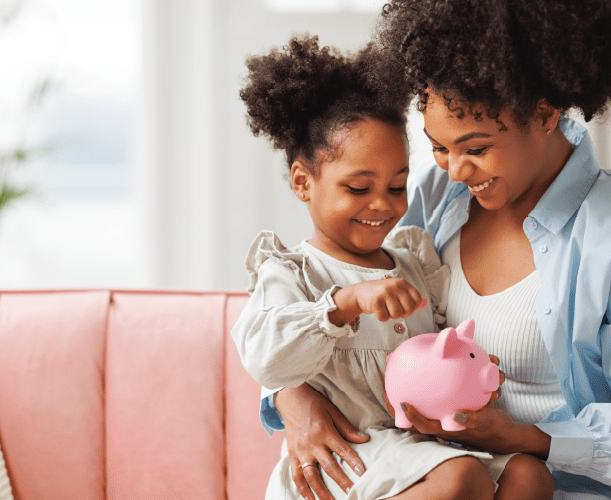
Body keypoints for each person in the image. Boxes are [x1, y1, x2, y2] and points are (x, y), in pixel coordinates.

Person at [263, 1, 611, 499]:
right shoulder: (434, 197)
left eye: (476, 148)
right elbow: (318, 290)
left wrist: (525, 438)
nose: (455, 170)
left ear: (545, 114)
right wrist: (292, 397)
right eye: (439, 147)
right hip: (447, 476)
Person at [231, 34, 556, 500]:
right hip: (349, 456)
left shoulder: (412, 260)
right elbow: (265, 358)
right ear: (303, 182)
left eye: (397, 186)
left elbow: (443, 341)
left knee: (529, 475)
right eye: (358, 188)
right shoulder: (291, 272)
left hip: (418, 448)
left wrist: (472, 371)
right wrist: (343, 305)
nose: (382, 205)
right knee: (462, 478)